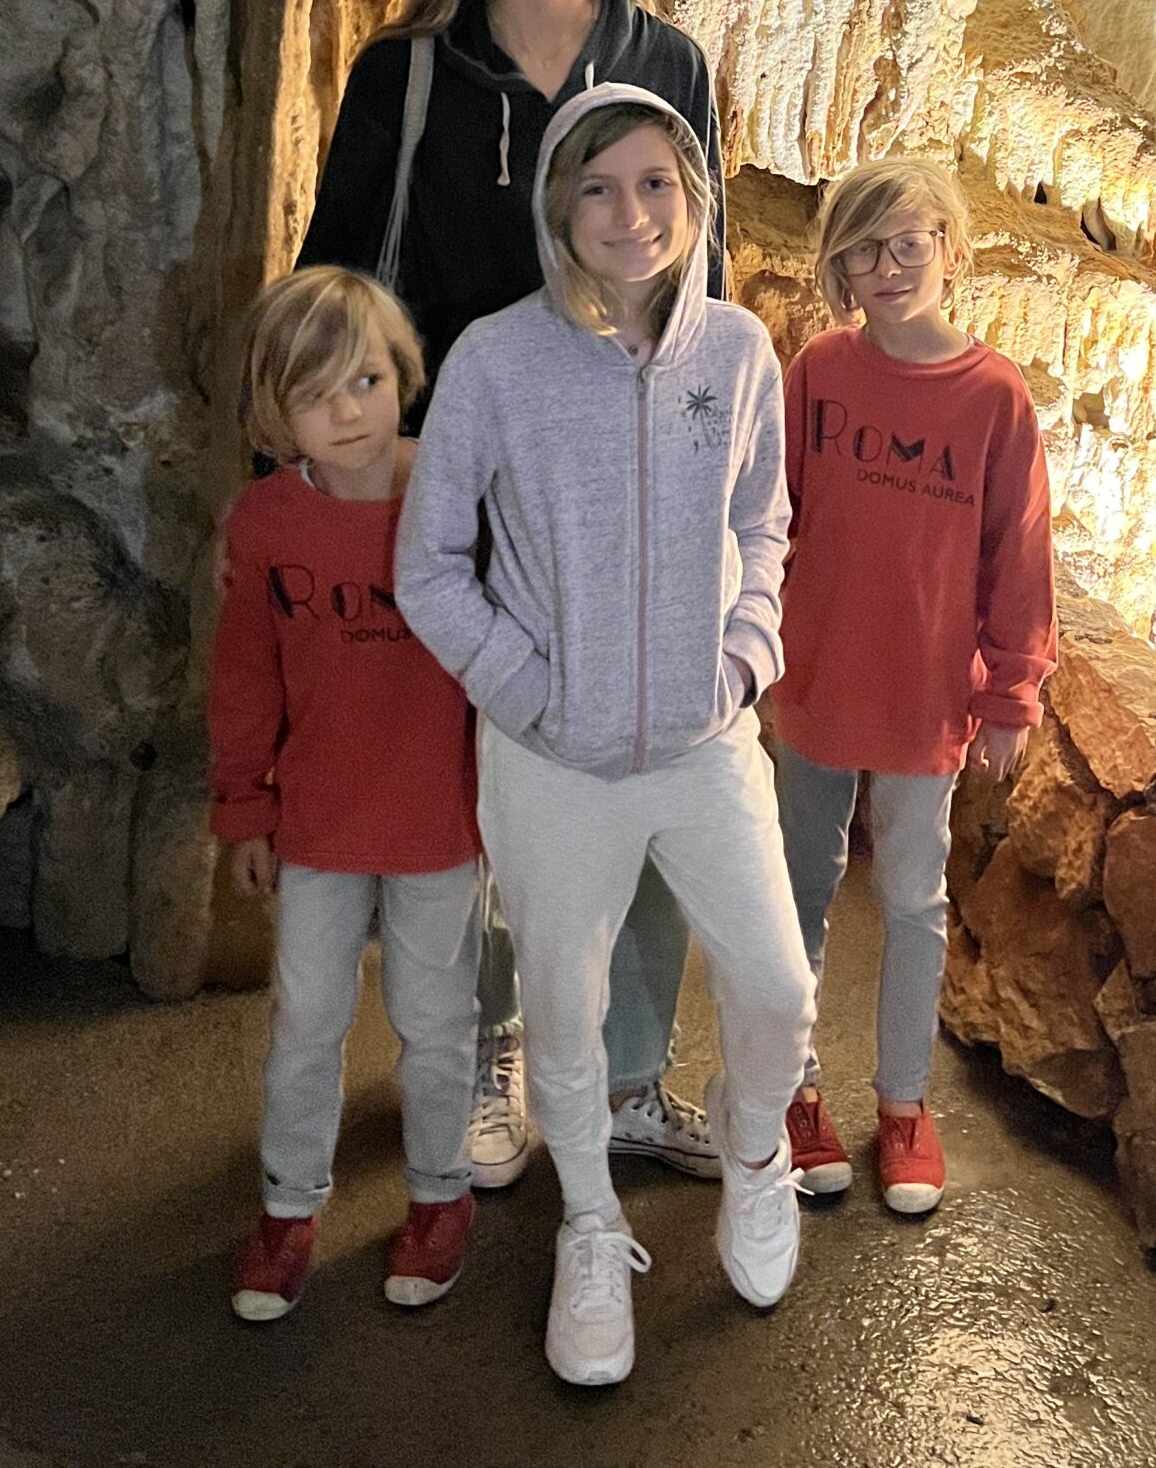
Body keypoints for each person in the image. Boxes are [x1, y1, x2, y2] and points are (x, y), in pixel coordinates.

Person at [296, 0, 724, 1193]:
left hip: (632, 484)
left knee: (660, 760)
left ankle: (631, 1069)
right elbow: (341, 275)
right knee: (483, 780)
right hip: (461, 479)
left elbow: (699, 286)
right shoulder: (408, 74)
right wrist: (358, 456)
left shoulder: (667, 63)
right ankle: (492, 1050)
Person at [397, 84, 814, 1385]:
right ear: (557, 206)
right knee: (563, 1013)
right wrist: (523, 693)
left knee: (780, 988)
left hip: (702, 743)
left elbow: (764, 522)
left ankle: (757, 1160)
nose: (629, 214)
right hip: (550, 760)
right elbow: (429, 568)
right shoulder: (495, 360)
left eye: (654, 185)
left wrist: (743, 658)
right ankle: (589, 1226)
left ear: (691, 199)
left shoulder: (739, 352)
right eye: (597, 187)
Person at [769, 158, 1056, 1215]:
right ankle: (795, 1090)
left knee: (911, 901)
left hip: (927, 696)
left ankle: (901, 1104)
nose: (885, 267)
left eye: (906, 243)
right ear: (837, 263)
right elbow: (774, 518)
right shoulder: (820, 373)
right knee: (796, 894)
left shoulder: (993, 395)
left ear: (948, 246)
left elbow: (1016, 554)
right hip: (815, 681)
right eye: (860, 248)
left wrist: (1011, 693)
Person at [209, 267, 481, 1322]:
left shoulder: (456, 493)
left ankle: (439, 1193)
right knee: (307, 1017)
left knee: (434, 1015)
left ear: (403, 374)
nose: (349, 410)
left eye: (367, 378)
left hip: (441, 819)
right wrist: (244, 806)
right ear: (276, 417)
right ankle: (287, 1209)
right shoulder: (269, 526)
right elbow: (245, 677)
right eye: (317, 394)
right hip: (318, 822)